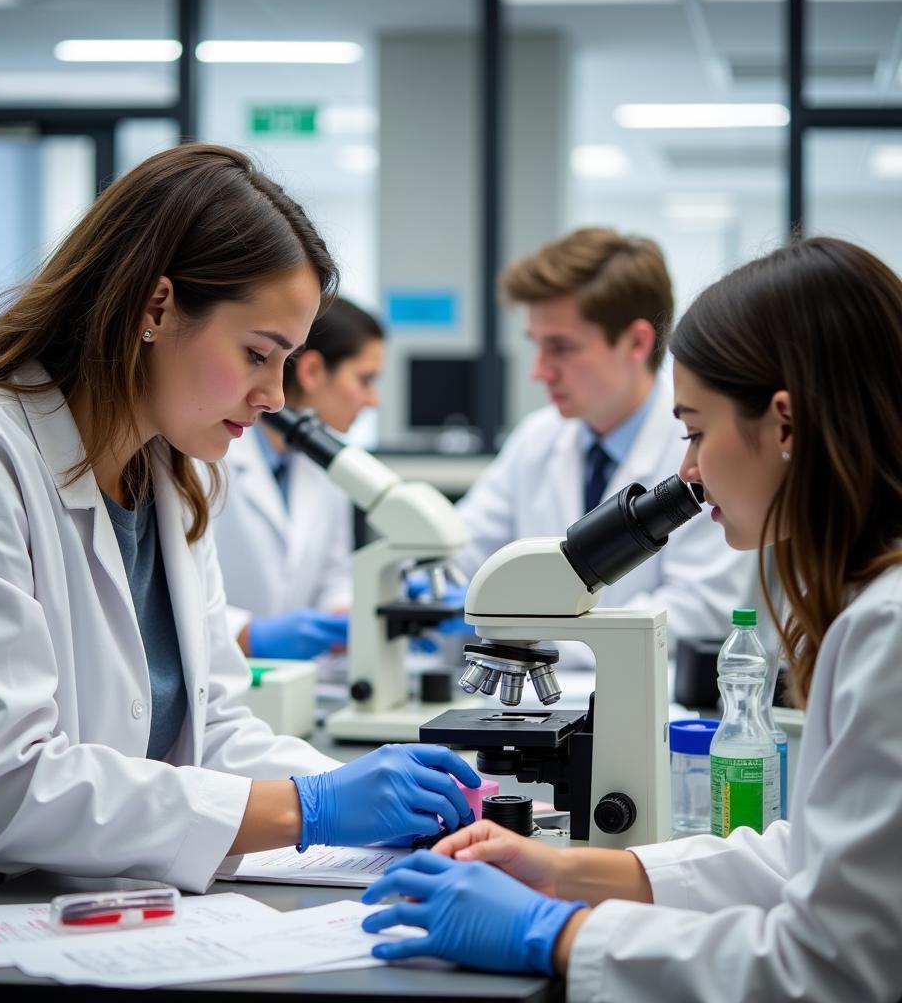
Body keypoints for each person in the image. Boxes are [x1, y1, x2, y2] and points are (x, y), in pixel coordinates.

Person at [0, 143, 481, 928]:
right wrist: (312, 807)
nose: (273, 396)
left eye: (289, 362)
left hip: (117, 916)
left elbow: (216, 732)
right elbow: (0, 787)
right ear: (155, 308)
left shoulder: (177, 476)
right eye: (258, 354)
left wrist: (356, 789)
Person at [360, 236, 902, 1002]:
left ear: (785, 424)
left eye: (697, 431)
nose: (686, 472)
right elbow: (815, 855)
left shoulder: (889, 631)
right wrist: (574, 871)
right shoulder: (873, 609)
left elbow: (836, 967)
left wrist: (555, 935)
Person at [454, 227, 752, 661]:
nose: (539, 371)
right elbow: (466, 551)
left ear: (636, 342)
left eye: (560, 348)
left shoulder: (700, 453)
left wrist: (536, 635)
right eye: (537, 347)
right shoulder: (536, 440)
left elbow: (697, 611)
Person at [213, 297, 383, 660]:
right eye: (365, 380)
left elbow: (334, 574)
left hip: (303, 682)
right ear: (312, 371)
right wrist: (245, 634)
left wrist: (344, 612)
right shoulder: (210, 455)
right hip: (218, 674)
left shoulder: (328, 465)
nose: (373, 400)